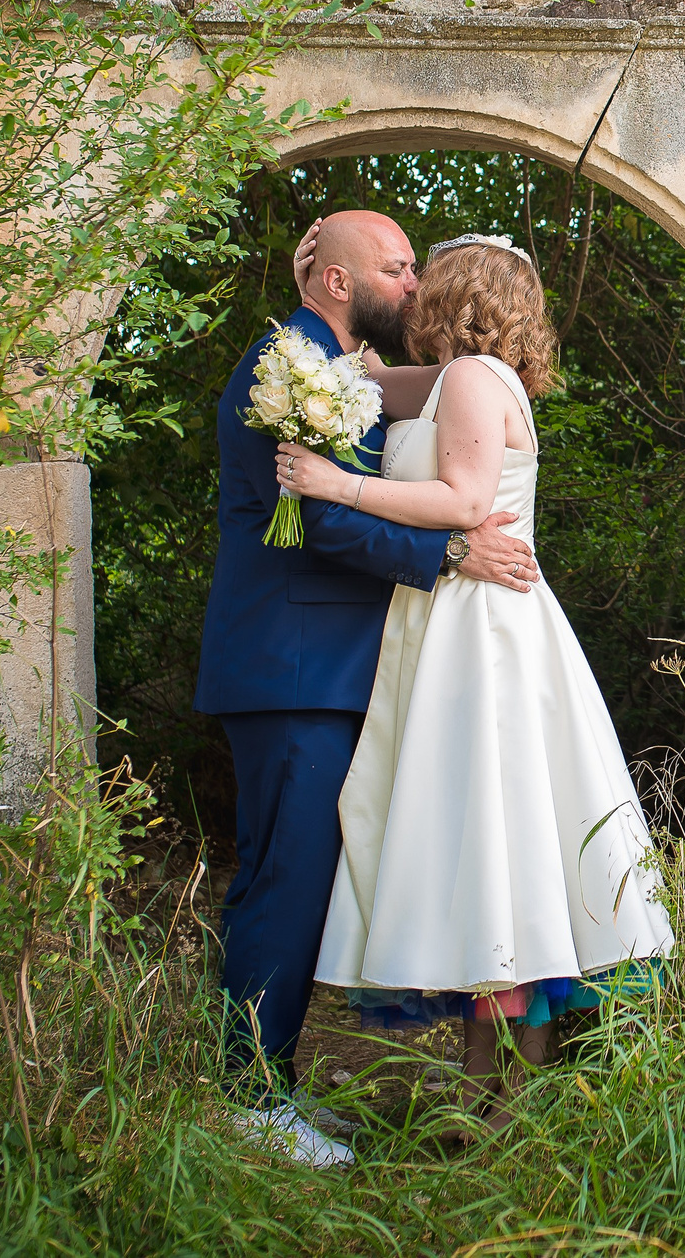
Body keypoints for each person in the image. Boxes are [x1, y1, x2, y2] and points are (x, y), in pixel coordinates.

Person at [275, 233, 675, 1130]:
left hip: (479, 632)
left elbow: (461, 503)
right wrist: (316, 302)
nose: (410, 288)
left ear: (455, 289)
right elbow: (369, 385)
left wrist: (336, 484)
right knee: (495, 851)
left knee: (495, 844)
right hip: (463, 623)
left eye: (424, 277)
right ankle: (490, 1088)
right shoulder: (475, 379)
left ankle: (499, 1095)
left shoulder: (470, 383)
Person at [193, 211, 540, 1168]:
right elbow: (322, 523)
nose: (415, 281)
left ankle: (269, 1083)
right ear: (342, 284)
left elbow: (457, 386)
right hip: (291, 666)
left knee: (294, 877)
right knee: (284, 878)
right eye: (397, 267)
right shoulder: (287, 366)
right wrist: (455, 548)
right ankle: (248, 1100)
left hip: (328, 666)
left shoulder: (332, 363)